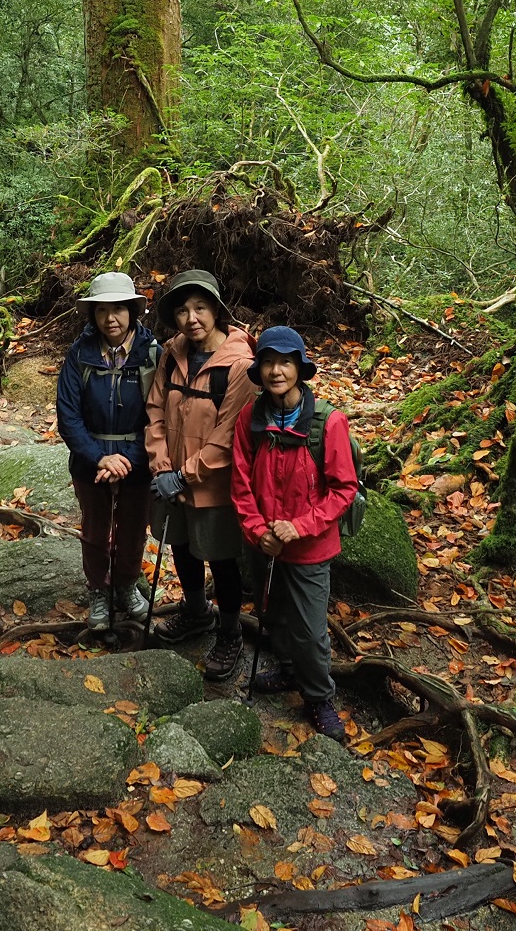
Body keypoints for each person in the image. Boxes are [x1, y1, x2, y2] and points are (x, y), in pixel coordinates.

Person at [230, 325, 356, 740]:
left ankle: (319, 697)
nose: (275, 370)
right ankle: (286, 672)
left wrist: (298, 527)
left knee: (309, 629)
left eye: (285, 362)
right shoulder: (251, 417)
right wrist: (256, 530)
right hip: (264, 542)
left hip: (310, 548)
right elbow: (241, 481)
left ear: (300, 369)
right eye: (268, 361)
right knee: (271, 612)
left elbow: (343, 489)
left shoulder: (327, 422)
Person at [144, 268, 258, 679]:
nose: (191, 318)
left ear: (216, 310)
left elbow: (229, 435)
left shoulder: (241, 366)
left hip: (214, 484)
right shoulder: (172, 354)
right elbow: (155, 410)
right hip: (169, 476)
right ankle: (195, 612)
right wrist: (161, 467)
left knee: (222, 560)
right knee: (181, 546)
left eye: (200, 308)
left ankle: (230, 633)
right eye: (182, 311)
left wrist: (186, 474)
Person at [54, 271, 159, 634]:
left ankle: (127, 586)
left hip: (138, 460)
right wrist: (99, 457)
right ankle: (99, 589)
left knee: (132, 532)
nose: (110, 318)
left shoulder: (151, 355)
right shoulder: (80, 355)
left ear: (132, 310)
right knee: (96, 531)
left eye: (118, 309)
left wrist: (129, 458)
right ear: (92, 315)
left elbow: (159, 414)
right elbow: (68, 415)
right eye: (102, 310)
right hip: (90, 462)